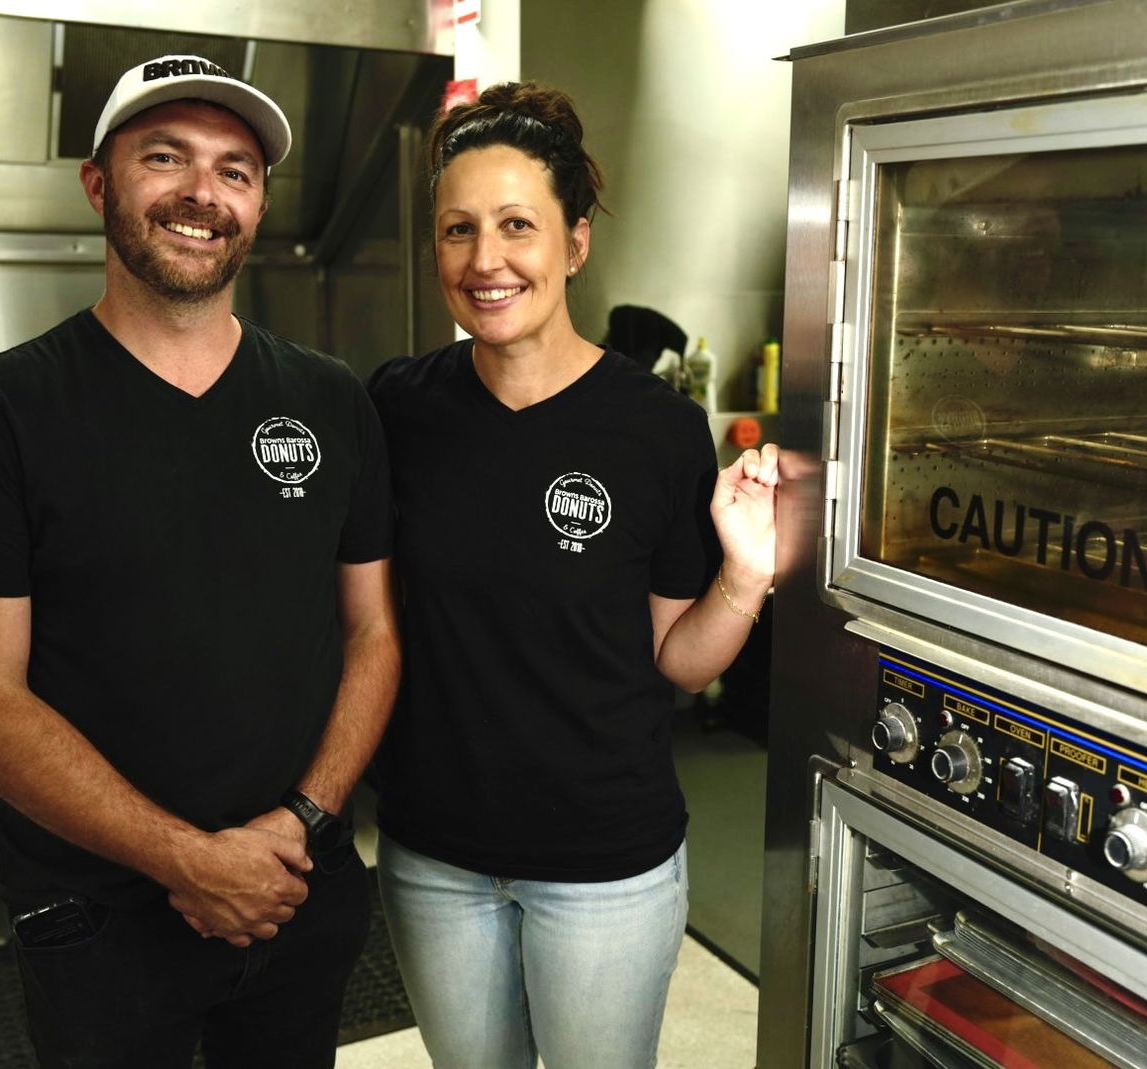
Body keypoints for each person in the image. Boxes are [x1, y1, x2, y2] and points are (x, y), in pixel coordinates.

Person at [0, 54, 400, 1067]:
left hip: (295, 889)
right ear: (99, 183)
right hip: (99, 916)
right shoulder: (0, 411)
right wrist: (190, 859)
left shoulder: (328, 399)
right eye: (163, 157)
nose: (200, 194)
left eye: (234, 169)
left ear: (257, 203)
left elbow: (373, 631)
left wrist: (299, 823)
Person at [366, 81, 778, 1069]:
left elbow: (678, 660)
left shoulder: (654, 428)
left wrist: (746, 573)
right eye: (457, 229)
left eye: (517, 225)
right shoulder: (395, 408)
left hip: (604, 863)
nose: (485, 259)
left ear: (575, 243)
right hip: (433, 855)